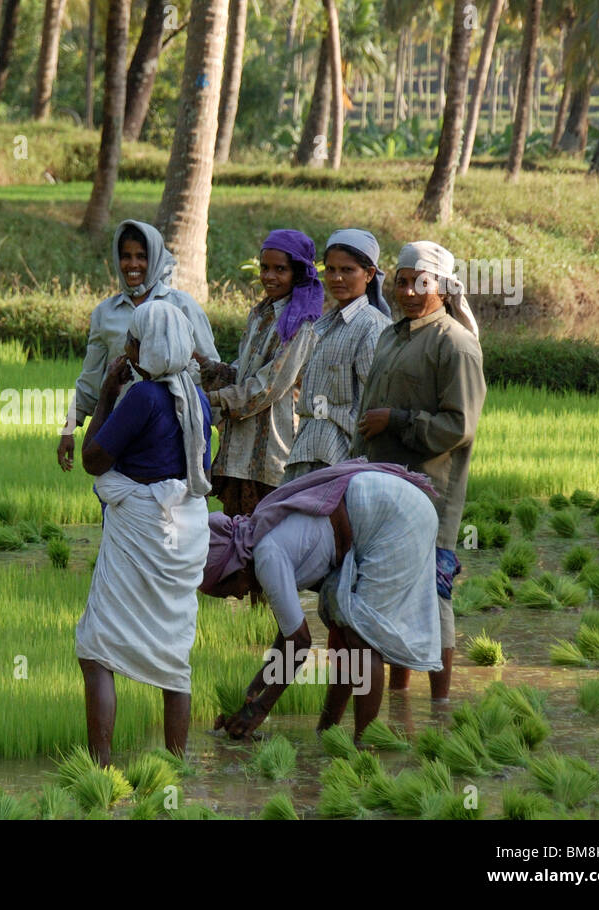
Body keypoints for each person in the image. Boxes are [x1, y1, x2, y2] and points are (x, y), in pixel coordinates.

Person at [199, 460, 442, 743]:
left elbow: (300, 644)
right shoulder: (258, 541)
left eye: (230, 589)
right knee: (343, 629)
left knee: (361, 636)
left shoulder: (266, 556)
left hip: (397, 516)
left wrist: (261, 709)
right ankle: (327, 731)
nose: (239, 596)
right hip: (380, 508)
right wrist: (252, 693)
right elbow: (287, 638)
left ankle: (364, 746)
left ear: (236, 568)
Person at [75, 301, 213, 766]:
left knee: (96, 648)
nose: (128, 349)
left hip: (140, 530)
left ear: (148, 346)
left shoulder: (142, 397)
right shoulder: (198, 399)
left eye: (133, 341)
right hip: (183, 532)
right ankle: (176, 765)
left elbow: (93, 460)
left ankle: (102, 766)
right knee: (174, 659)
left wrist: (107, 395)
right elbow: (199, 472)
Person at [350, 240, 487, 702]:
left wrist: (400, 421)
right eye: (401, 281)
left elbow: (459, 425)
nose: (407, 291)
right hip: (381, 482)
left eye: (419, 283)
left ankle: (441, 702)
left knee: (432, 591)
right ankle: (399, 696)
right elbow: (369, 411)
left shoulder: (455, 344)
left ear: (443, 288)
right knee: (391, 586)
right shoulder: (392, 335)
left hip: (430, 490)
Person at [57, 220, 218, 473]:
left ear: (154, 258)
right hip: (119, 431)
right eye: (126, 257)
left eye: (141, 256)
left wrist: (219, 429)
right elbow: (90, 378)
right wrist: (68, 428)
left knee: (175, 500)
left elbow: (210, 370)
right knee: (119, 501)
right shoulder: (105, 313)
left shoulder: (182, 306)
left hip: (172, 432)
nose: (133, 265)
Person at [203, 229, 321, 517]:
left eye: (280, 269)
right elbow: (245, 373)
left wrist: (211, 399)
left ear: (298, 273)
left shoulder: (300, 325)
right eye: (265, 268)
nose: (269, 276)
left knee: (261, 542)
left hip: (271, 456)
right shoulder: (259, 314)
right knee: (237, 543)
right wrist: (210, 369)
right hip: (239, 451)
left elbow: (267, 388)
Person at [283, 229, 392, 482]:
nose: (337, 278)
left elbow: (373, 400)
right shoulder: (325, 324)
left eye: (347, 270)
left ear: (369, 274)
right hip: (308, 449)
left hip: (344, 459)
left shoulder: (372, 327)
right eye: (330, 270)